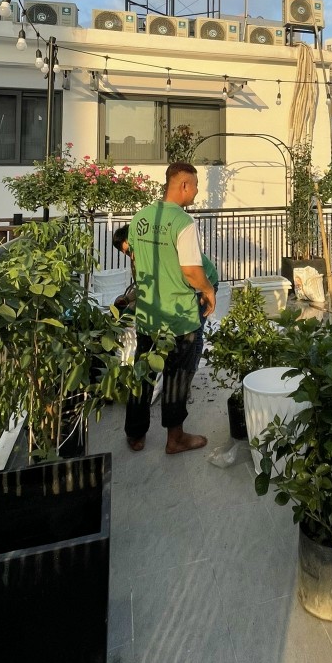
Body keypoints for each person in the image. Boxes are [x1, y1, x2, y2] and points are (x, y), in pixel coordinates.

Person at [124, 162, 216, 455]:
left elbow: (135, 260)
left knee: (143, 374)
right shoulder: (183, 222)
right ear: (184, 185)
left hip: (148, 313)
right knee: (177, 377)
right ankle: (174, 439)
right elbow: (191, 270)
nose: (197, 191)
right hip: (179, 317)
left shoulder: (140, 217)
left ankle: (135, 434)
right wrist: (208, 290)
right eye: (196, 185)